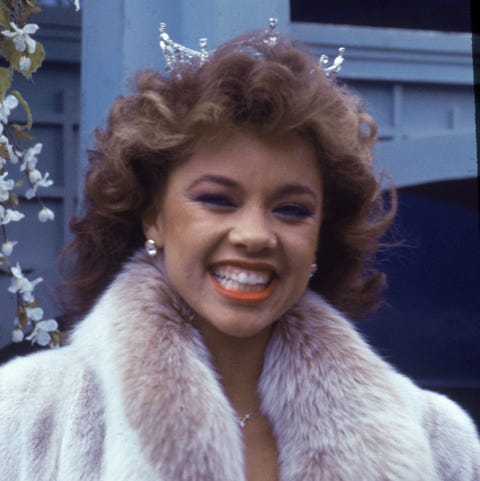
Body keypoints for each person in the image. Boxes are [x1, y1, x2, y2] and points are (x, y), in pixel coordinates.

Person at [0, 22, 479, 481]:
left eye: (291, 210)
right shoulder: (25, 415)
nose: (255, 235)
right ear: (153, 217)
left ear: (321, 235)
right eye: (216, 200)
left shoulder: (439, 443)